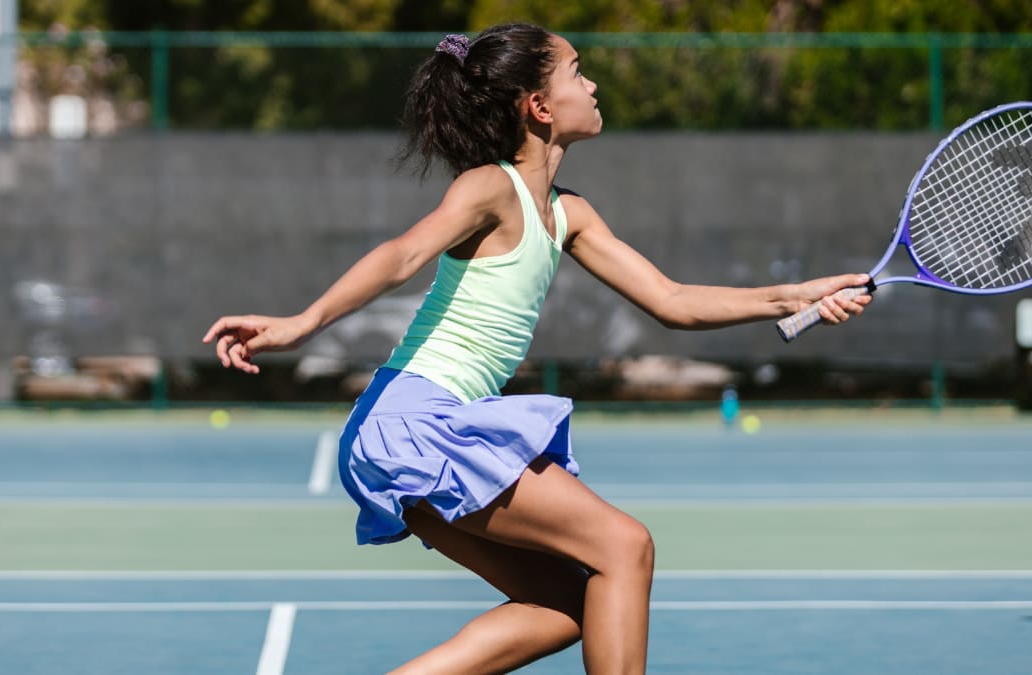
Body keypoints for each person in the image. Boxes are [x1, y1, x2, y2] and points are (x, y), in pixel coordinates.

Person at [203, 23, 871, 674]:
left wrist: (797, 296)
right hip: (413, 421)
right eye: (579, 70)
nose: (595, 81)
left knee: (565, 603)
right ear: (541, 106)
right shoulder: (489, 187)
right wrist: (302, 322)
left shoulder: (568, 212)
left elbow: (673, 301)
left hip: (411, 427)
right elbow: (403, 253)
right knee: (625, 545)